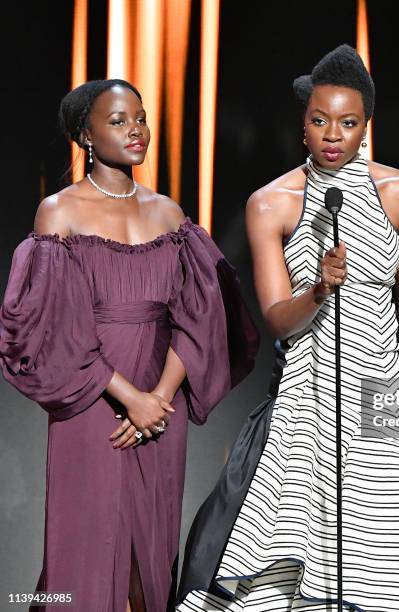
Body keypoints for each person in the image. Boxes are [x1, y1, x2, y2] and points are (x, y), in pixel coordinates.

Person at [177, 45, 399, 612]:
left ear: (366, 126)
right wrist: (317, 290)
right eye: (320, 121)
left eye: (347, 123)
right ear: (303, 124)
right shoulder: (271, 203)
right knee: (295, 553)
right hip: (308, 394)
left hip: (380, 392)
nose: (332, 134)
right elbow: (275, 315)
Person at [0, 79, 259, 612]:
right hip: (91, 401)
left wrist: (158, 398)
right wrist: (130, 399)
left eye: (140, 117)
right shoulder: (59, 212)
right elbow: (57, 329)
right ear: (85, 134)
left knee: (152, 553)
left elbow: (200, 318)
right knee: (86, 551)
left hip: (163, 406)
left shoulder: (170, 215)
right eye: (118, 120)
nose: (136, 129)